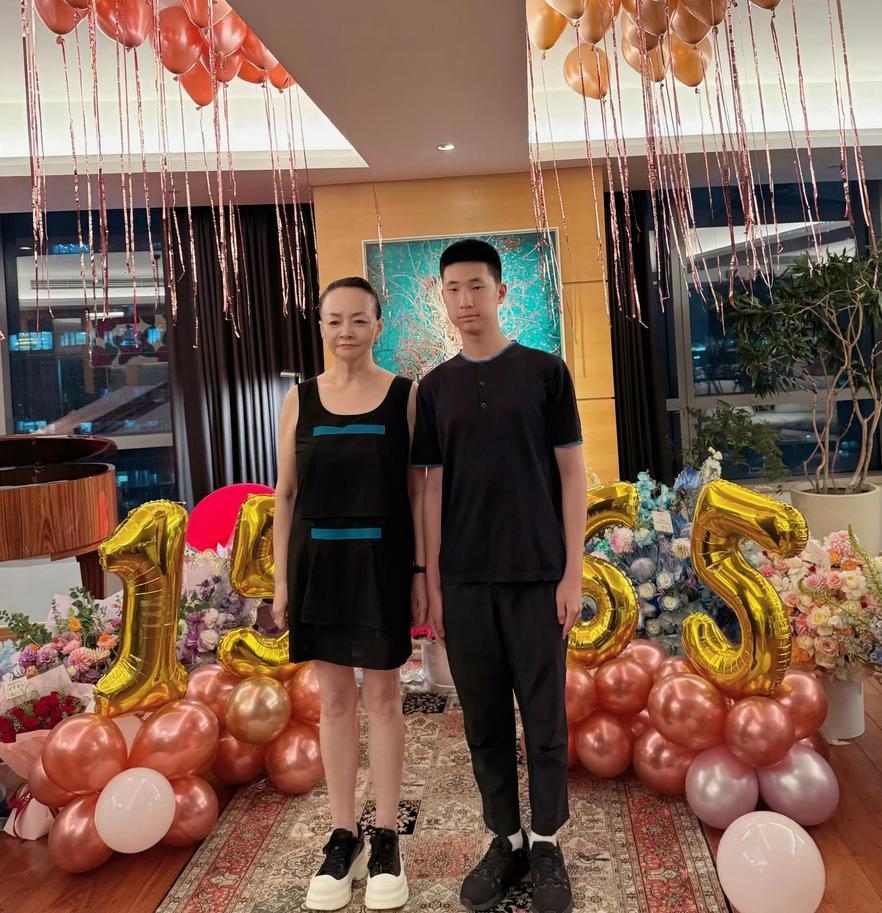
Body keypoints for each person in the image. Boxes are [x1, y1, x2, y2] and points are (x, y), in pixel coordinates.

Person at [412, 239, 586, 913]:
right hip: (465, 581)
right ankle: (506, 840)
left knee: (544, 718)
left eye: (477, 287)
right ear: (443, 297)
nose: (465, 301)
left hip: (539, 572)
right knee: (483, 719)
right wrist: (431, 581)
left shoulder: (546, 372)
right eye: (453, 289)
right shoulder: (436, 388)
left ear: (501, 292)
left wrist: (572, 572)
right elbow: (429, 491)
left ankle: (545, 843)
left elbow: (572, 474)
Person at [272, 276, 427, 911]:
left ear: (377, 326)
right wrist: (282, 580)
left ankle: (386, 836)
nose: (346, 331)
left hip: (382, 564)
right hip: (319, 566)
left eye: (358, 320)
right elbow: (285, 494)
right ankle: (343, 837)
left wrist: (421, 573)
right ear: (321, 326)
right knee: (334, 702)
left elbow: (418, 492)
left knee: (384, 700)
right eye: (334, 320)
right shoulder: (299, 398)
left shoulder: (406, 396)